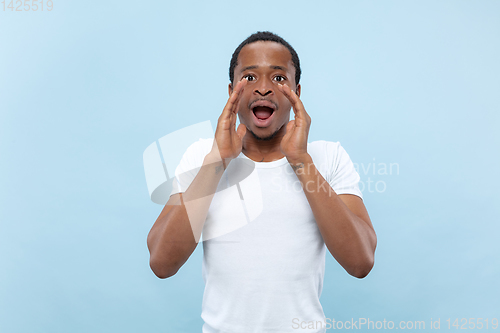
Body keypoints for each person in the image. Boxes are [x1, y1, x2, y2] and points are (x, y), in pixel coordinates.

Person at [147, 31, 377, 333]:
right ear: (232, 91)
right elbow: (162, 263)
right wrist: (218, 162)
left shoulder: (328, 157)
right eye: (250, 78)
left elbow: (360, 262)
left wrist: (300, 161)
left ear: (297, 91)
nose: (265, 89)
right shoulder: (202, 156)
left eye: (279, 79)